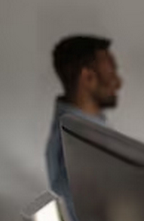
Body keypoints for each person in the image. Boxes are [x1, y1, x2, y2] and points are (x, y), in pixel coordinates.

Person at [45, 35, 122, 203]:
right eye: (111, 73)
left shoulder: (82, 130)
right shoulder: (77, 143)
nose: (118, 82)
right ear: (88, 77)